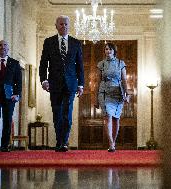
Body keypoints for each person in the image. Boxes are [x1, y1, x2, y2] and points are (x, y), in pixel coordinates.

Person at [39, 15, 84, 152]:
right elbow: (43, 64)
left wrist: (81, 84)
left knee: (67, 113)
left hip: (71, 84)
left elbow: (80, 66)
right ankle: (59, 141)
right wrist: (44, 80)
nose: (63, 26)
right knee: (57, 113)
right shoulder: (49, 42)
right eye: (61, 24)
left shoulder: (76, 43)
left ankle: (64, 142)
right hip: (54, 83)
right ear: (56, 26)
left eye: (65, 24)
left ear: (69, 26)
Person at [95, 43, 130, 152]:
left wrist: (127, 94)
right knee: (108, 116)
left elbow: (124, 80)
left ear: (114, 51)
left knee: (116, 118)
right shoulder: (101, 64)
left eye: (110, 49)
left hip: (117, 93)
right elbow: (98, 81)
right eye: (106, 49)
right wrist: (96, 98)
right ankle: (110, 143)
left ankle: (113, 142)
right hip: (104, 92)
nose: (108, 51)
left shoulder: (121, 63)